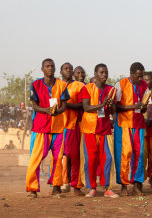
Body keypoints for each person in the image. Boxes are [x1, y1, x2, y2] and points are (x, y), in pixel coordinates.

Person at [26, 58, 70, 198]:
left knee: (57, 160)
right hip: (40, 128)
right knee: (36, 159)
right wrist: (47, 110)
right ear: (42, 69)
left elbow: (64, 104)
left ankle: (56, 188)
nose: (50, 68)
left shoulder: (62, 85)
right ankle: (32, 189)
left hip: (58, 128)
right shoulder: (35, 84)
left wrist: (59, 111)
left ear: (55, 69)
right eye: (47, 66)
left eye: (52, 66)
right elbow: (35, 106)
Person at [79, 63, 118, 198]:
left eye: (106, 72)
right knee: (91, 159)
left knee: (107, 158)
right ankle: (92, 188)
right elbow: (86, 107)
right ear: (95, 74)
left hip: (105, 129)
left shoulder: (111, 90)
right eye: (101, 72)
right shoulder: (87, 88)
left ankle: (107, 187)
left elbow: (113, 111)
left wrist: (111, 104)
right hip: (89, 129)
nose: (104, 75)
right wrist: (103, 104)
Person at [114, 62, 148, 196]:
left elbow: (145, 106)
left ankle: (137, 185)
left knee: (139, 155)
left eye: (142, 76)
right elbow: (116, 107)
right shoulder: (120, 84)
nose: (140, 79)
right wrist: (133, 107)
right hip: (124, 124)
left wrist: (143, 107)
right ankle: (123, 185)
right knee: (124, 154)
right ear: (131, 74)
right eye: (138, 77)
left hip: (139, 124)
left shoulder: (144, 86)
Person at [59, 62, 85, 195]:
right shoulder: (56, 85)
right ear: (61, 72)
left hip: (74, 125)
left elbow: (83, 105)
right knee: (59, 157)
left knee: (75, 156)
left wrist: (66, 105)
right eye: (65, 69)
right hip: (58, 126)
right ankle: (60, 184)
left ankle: (76, 186)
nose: (68, 71)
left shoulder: (79, 86)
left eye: (70, 69)